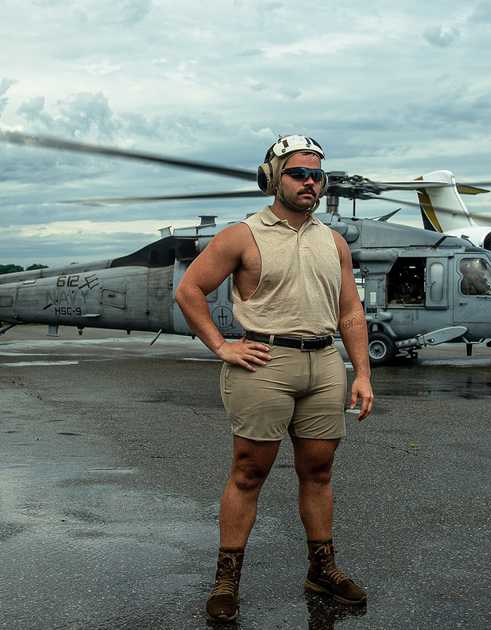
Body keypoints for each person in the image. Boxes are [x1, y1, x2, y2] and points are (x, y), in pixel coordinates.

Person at [175, 134, 374, 621]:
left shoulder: (334, 242)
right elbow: (190, 290)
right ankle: (227, 579)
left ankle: (321, 569)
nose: (310, 182)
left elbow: (350, 310)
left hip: (324, 363)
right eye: (298, 173)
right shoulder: (242, 235)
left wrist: (362, 372)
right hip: (266, 362)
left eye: (316, 175)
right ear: (273, 178)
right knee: (248, 473)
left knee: (319, 472)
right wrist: (222, 346)